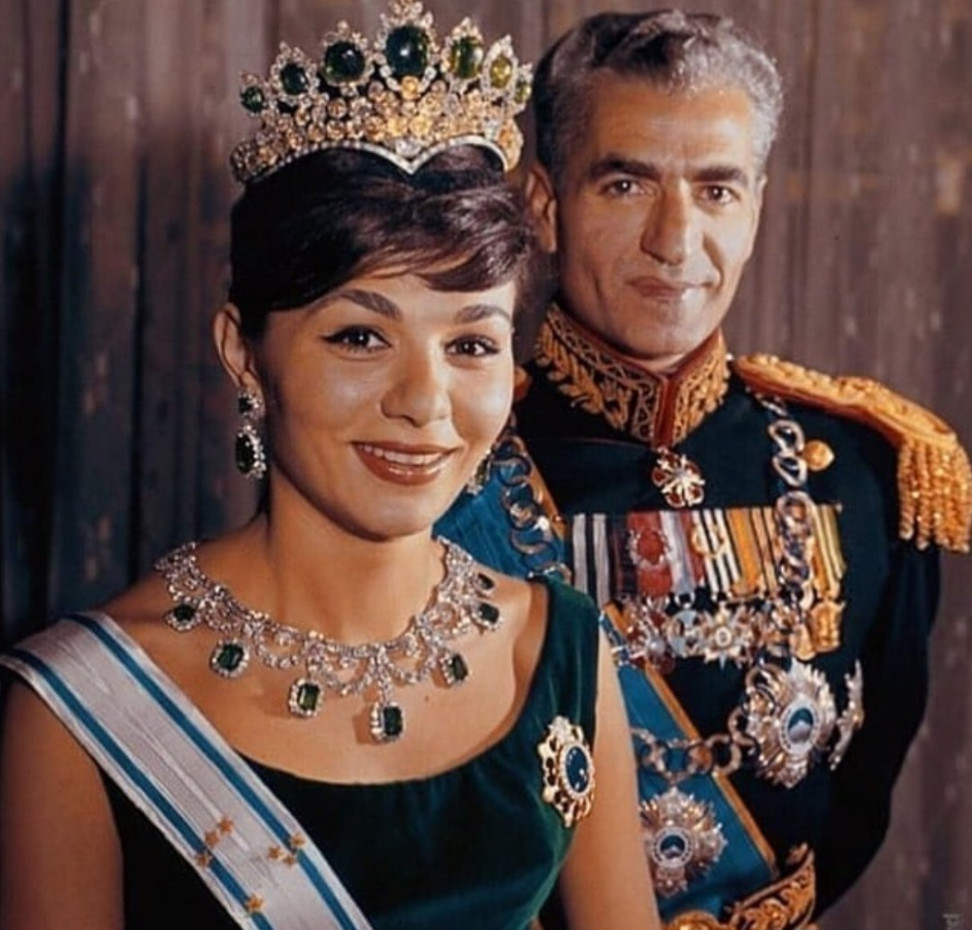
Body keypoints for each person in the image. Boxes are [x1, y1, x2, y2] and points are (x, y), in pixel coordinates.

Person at [0, 4, 660, 929]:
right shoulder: (81, 707)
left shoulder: (560, 653)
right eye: (359, 336)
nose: (424, 402)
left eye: (471, 345)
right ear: (244, 355)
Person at [439, 9, 971, 930]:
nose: (676, 240)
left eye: (717, 190)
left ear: (756, 208)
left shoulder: (868, 471)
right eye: (626, 184)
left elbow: (862, 793)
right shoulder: (445, 473)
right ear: (545, 206)